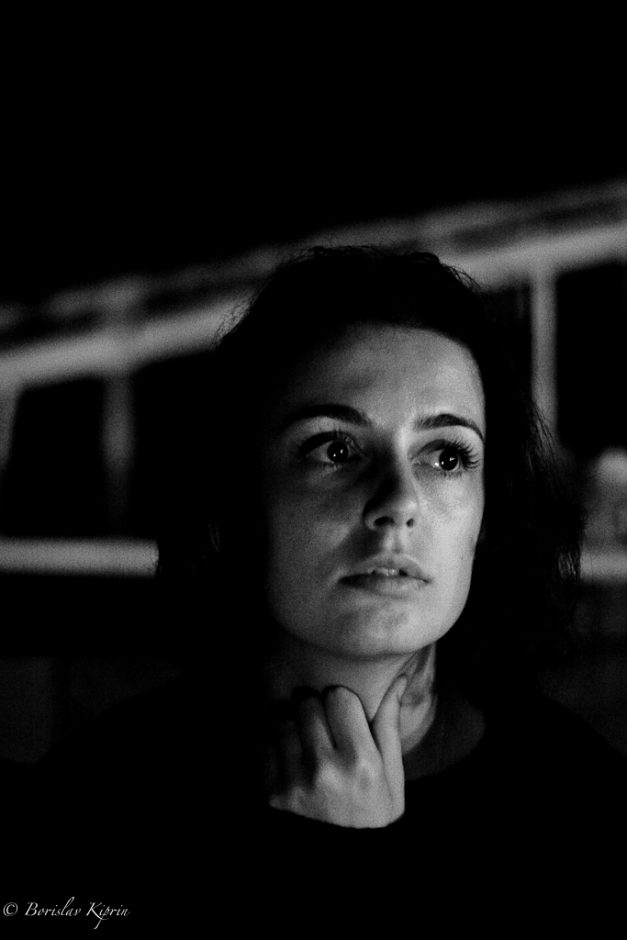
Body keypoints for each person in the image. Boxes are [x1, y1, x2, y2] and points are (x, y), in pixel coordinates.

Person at [34, 247, 625, 930]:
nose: (398, 502)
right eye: (336, 449)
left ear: (487, 512)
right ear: (240, 497)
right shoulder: (95, 803)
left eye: (446, 456)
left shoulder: (586, 812)